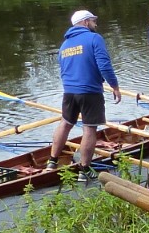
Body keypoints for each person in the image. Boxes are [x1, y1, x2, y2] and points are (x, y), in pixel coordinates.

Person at [47, 9, 122, 180]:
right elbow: (104, 65)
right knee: (89, 128)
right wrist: (114, 86)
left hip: (69, 91)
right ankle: (84, 170)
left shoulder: (64, 45)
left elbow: (63, 70)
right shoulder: (94, 38)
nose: (95, 24)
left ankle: (52, 161)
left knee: (65, 123)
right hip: (90, 91)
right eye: (93, 21)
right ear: (86, 22)